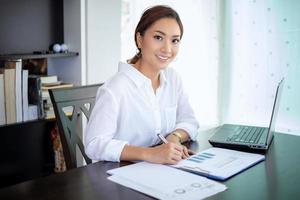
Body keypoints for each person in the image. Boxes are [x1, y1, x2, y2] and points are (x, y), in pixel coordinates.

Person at [85, 5, 199, 164]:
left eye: (174, 40)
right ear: (139, 39)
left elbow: (190, 121)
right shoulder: (115, 88)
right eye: (158, 37)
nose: (167, 49)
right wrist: (150, 154)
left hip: (161, 170)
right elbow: (94, 144)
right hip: (119, 176)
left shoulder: (173, 78)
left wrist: (174, 137)